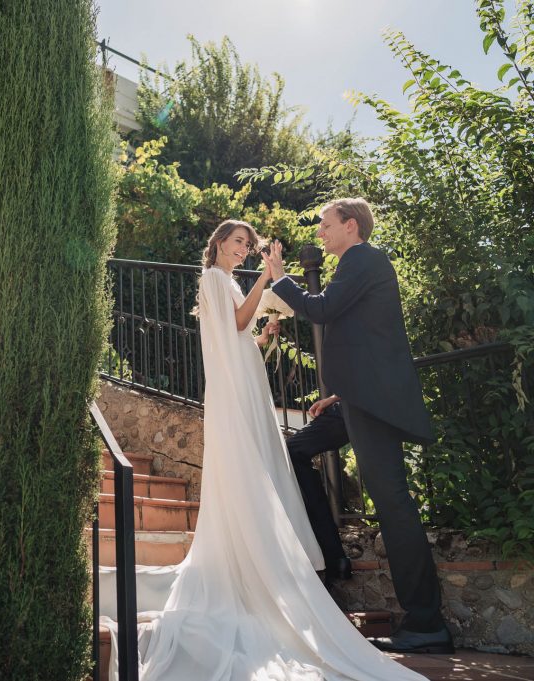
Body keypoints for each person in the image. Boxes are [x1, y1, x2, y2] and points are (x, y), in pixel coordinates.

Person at [123, 220, 426, 681]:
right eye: (239, 242)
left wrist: (265, 334)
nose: (244, 250)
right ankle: (257, 560)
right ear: (219, 243)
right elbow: (236, 323)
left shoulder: (223, 283)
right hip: (235, 388)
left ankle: (267, 552)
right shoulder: (212, 277)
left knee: (261, 465)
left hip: (245, 380)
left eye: (249, 245)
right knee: (253, 464)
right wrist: (267, 278)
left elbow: (239, 339)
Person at [264, 198, 453, 655]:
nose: (321, 233)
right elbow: (364, 339)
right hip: (357, 401)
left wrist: (279, 277)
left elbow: (321, 309)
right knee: (304, 454)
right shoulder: (357, 264)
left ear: (351, 226)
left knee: (393, 504)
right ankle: (337, 559)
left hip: (374, 406)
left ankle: (426, 622)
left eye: (326, 225)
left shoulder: (364, 259)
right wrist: (341, 395)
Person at [284, 393, 353, 588]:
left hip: (352, 408)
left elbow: (359, 369)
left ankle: (331, 555)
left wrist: (333, 399)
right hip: (361, 406)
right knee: (292, 454)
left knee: (291, 453)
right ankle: (334, 557)